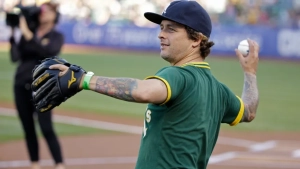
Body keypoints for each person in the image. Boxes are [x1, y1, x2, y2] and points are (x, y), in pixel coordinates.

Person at [34, 1, 259, 169]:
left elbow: (143, 91)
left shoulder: (178, 76)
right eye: (161, 27)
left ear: (196, 39)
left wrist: (83, 80)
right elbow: (248, 111)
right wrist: (250, 73)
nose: (161, 34)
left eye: (171, 29)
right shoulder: (219, 91)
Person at [9, 2, 65, 169]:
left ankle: (59, 164)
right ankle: (35, 164)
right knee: (28, 128)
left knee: (46, 127)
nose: (43, 14)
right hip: (21, 84)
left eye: (48, 11)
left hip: (43, 86)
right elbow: (14, 57)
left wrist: (26, 33)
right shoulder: (30, 32)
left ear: (55, 16)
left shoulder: (56, 36)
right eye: (42, 11)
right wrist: (14, 33)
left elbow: (46, 52)